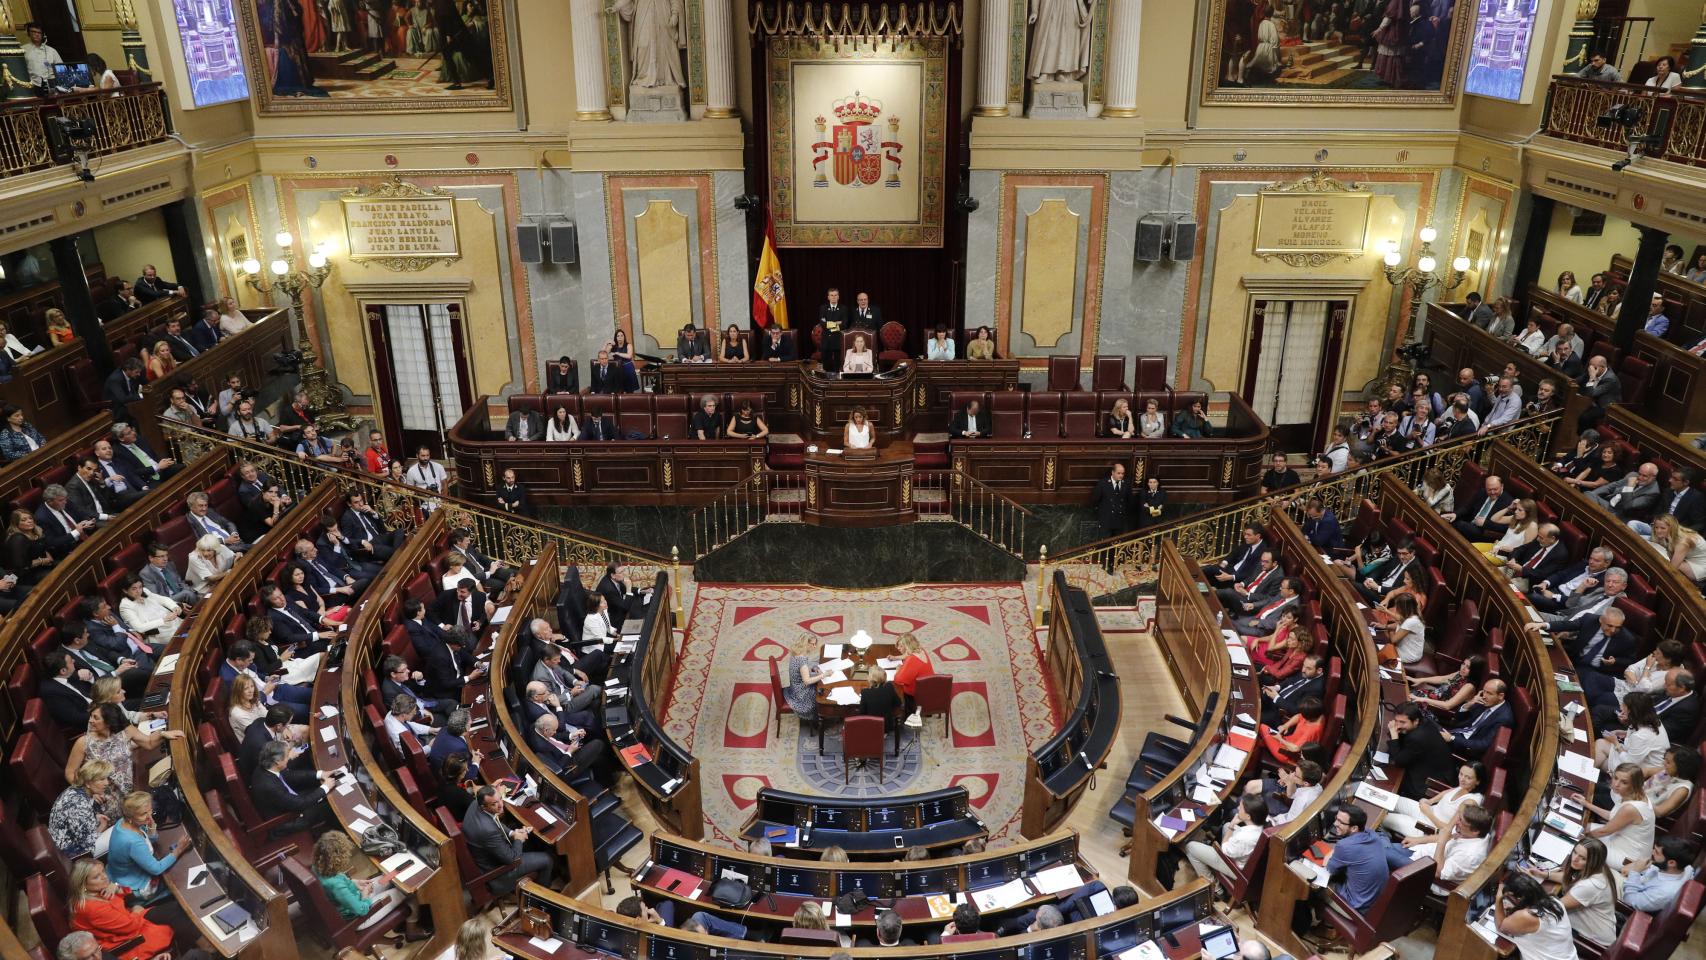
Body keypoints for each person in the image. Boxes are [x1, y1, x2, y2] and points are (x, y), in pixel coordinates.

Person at [313, 831, 424, 937]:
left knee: (390, 878)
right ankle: (412, 932)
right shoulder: (336, 886)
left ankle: (403, 917)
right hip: (359, 918)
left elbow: (338, 880)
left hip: (355, 898)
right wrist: (365, 895)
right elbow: (361, 910)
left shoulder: (318, 867)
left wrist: (354, 882)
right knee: (407, 890)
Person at [67, 858, 175, 960]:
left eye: (103, 871)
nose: (104, 877)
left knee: (175, 911)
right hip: (127, 941)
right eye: (96, 877)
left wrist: (116, 887)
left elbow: (125, 896)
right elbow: (130, 926)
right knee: (176, 920)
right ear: (83, 885)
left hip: (130, 921)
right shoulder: (92, 908)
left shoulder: (95, 890)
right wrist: (136, 911)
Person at [463, 785, 555, 894]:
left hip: (489, 853)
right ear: (484, 807)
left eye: (500, 799)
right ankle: (541, 897)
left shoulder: (476, 804)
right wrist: (518, 839)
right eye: (494, 804)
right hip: (498, 872)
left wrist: (512, 833)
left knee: (530, 840)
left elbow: (495, 820)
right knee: (547, 859)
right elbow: (512, 860)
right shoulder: (487, 830)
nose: (500, 805)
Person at [106, 791, 191, 899]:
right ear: (130, 816)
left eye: (150, 810)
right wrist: (179, 849)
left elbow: (149, 839)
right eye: (143, 814)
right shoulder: (132, 841)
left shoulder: (122, 823)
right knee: (181, 883)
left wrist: (151, 827)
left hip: (119, 875)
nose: (149, 815)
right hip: (136, 885)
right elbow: (156, 869)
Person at [1386, 747, 1483, 835]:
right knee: (1390, 799)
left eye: (1468, 777)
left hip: (1427, 829)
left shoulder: (1469, 803)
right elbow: (1447, 793)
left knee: (1385, 818)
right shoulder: (1465, 786)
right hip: (1427, 811)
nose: (1462, 779)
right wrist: (1430, 801)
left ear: (1478, 781)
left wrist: (1428, 813)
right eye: (1461, 774)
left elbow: (1448, 831)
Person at [1184, 793, 1269, 889]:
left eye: (1240, 808)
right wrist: (1230, 826)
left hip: (1236, 869)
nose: (1237, 809)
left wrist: (1232, 825)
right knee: (1226, 825)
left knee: (1190, 847)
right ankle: (1209, 854)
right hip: (1247, 860)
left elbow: (1224, 849)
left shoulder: (1243, 837)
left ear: (1248, 816)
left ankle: (1215, 888)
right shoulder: (1262, 826)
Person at [1582, 762, 1655, 868]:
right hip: (1619, 839)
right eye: (1615, 778)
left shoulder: (1631, 808)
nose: (1616, 784)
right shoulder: (1635, 794)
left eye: (1624, 782)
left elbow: (1604, 831)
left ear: (1634, 784)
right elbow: (1613, 816)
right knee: (1584, 827)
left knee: (1582, 845)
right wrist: (1587, 804)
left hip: (1628, 859)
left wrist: (1581, 837)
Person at [1494, 872, 1576, 960]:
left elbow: (1500, 926)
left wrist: (1498, 899)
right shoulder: (1555, 901)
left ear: (1518, 898)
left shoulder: (1527, 916)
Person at [50, 759, 121, 859]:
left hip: (75, 840)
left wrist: (94, 818)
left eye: (106, 778)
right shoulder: (77, 804)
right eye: (101, 779)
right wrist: (101, 827)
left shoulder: (77, 790)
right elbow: (86, 843)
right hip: (73, 853)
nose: (107, 783)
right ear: (88, 783)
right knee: (122, 832)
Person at [1621, 837, 1699, 913]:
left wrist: (1635, 872)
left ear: (1671, 863)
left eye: (1657, 852)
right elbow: (1651, 871)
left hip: (1628, 898)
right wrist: (1635, 871)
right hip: (1636, 884)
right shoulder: (1686, 868)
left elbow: (1629, 901)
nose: (1652, 852)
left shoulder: (1663, 893)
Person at [782, 632, 823, 723]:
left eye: (815, 644)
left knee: (819, 679)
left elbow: (803, 669)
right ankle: (819, 718)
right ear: (806, 643)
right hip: (801, 694)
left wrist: (814, 667)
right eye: (813, 644)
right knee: (822, 692)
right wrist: (823, 675)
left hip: (795, 688)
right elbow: (807, 681)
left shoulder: (797, 653)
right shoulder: (801, 660)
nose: (815, 646)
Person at [891, 632, 932, 704]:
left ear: (907, 646)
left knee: (896, 687)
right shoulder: (921, 650)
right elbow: (907, 654)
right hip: (929, 686)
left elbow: (899, 680)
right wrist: (895, 658)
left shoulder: (912, 659)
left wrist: (898, 670)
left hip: (917, 693)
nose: (898, 648)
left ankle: (909, 712)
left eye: (901, 646)